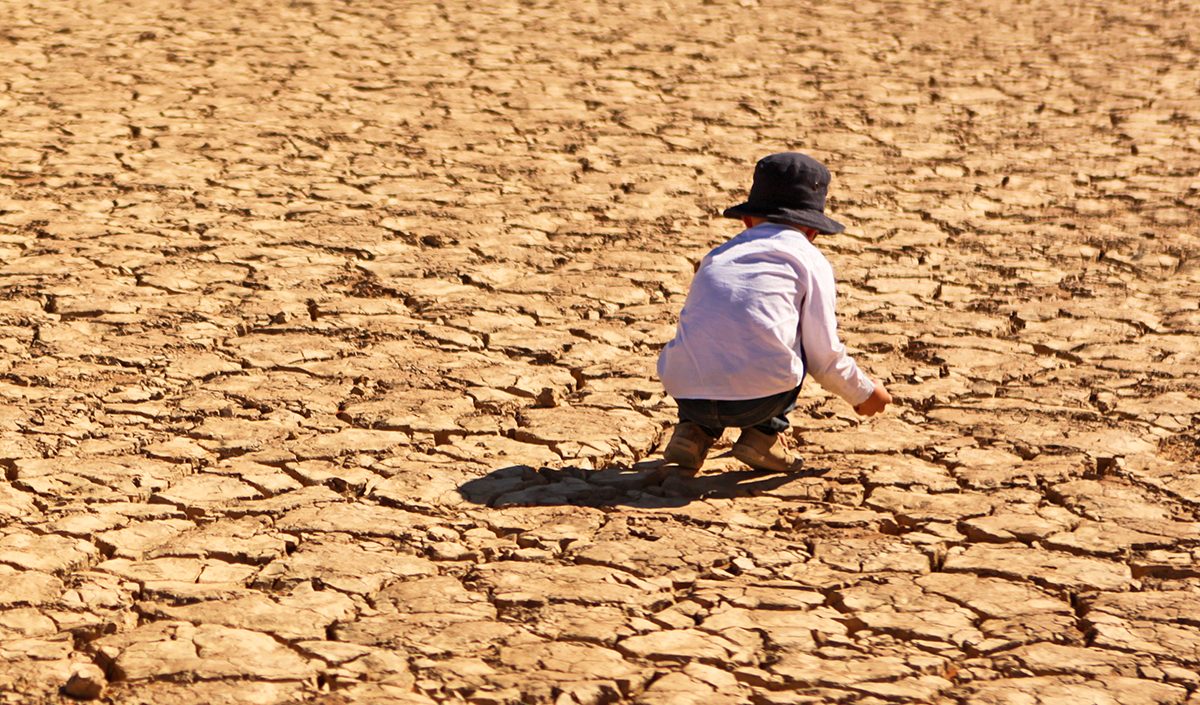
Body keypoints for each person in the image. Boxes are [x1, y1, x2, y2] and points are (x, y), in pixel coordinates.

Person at [657, 152, 892, 473]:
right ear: (813, 231)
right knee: (793, 345)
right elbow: (824, 358)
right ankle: (763, 435)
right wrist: (864, 394)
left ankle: (691, 433)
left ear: (747, 220)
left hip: (686, 392)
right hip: (759, 402)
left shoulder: (718, 255)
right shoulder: (809, 260)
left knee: (713, 342)